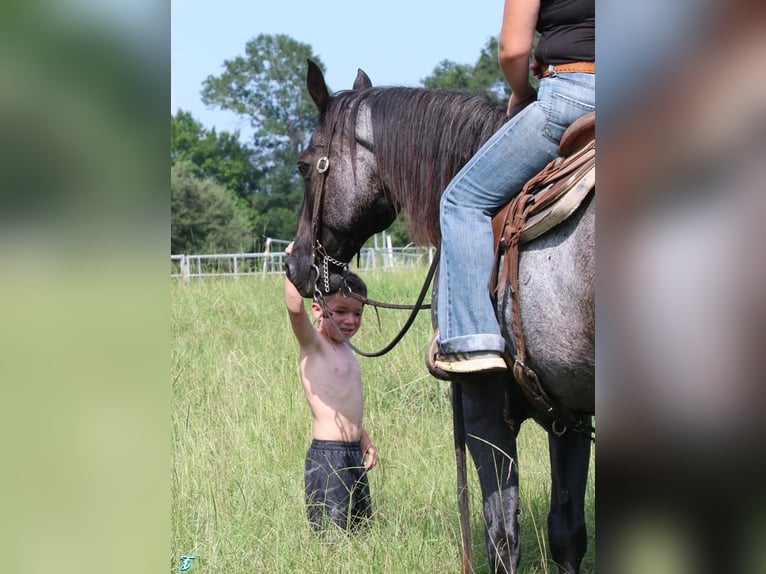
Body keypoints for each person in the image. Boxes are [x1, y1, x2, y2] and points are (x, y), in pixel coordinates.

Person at [433, 0, 595, 374]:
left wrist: (521, 91)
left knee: (462, 202)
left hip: (575, 96)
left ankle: (471, 340)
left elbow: (513, 49)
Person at [284, 242, 377, 533]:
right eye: (340, 311)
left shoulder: (347, 350)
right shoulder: (315, 345)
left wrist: (362, 437)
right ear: (318, 308)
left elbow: (344, 403)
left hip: (352, 452)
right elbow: (294, 309)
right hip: (328, 456)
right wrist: (294, 262)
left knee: (360, 531)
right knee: (331, 536)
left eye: (357, 313)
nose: (350, 321)